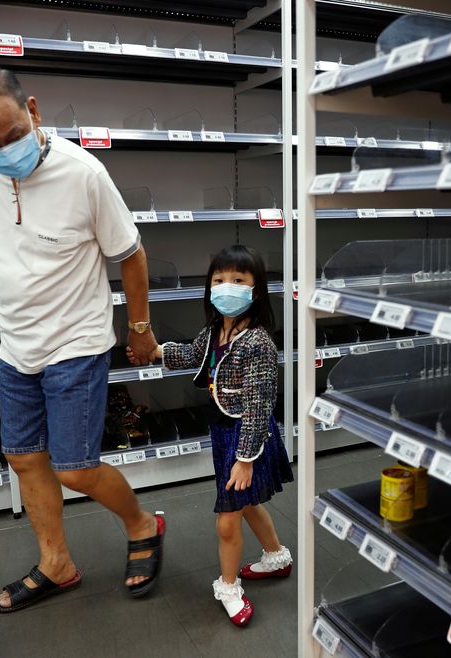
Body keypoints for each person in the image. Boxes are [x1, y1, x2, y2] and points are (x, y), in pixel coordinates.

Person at [0, 63, 165, 613]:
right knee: (23, 458)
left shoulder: (83, 173)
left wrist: (139, 327)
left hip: (77, 338)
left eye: (14, 134)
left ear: (34, 111)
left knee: (75, 467)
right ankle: (56, 562)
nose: (4, 150)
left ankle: (142, 524)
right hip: (17, 343)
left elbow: (131, 255)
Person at [129, 245, 294, 627]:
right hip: (224, 432)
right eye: (219, 280)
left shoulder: (258, 344)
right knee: (248, 503)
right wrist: (154, 351)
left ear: (256, 290)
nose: (226, 287)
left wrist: (245, 458)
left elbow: (259, 405)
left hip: (245, 437)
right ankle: (276, 556)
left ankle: (228, 585)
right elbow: (191, 354)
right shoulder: (216, 331)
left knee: (227, 517)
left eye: (238, 280)